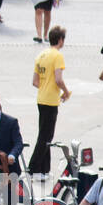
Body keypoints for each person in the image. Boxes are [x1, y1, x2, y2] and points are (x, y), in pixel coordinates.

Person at [28, 25, 69, 177]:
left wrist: (45, 86)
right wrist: (65, 91)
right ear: (60, 40)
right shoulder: (57, 56)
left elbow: (35, 81)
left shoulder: (41, 55)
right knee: (46, 136)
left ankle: (44, 169)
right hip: (51, 99)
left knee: (45, 133)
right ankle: (33, 167)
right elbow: (58, 79)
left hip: (41, 97)